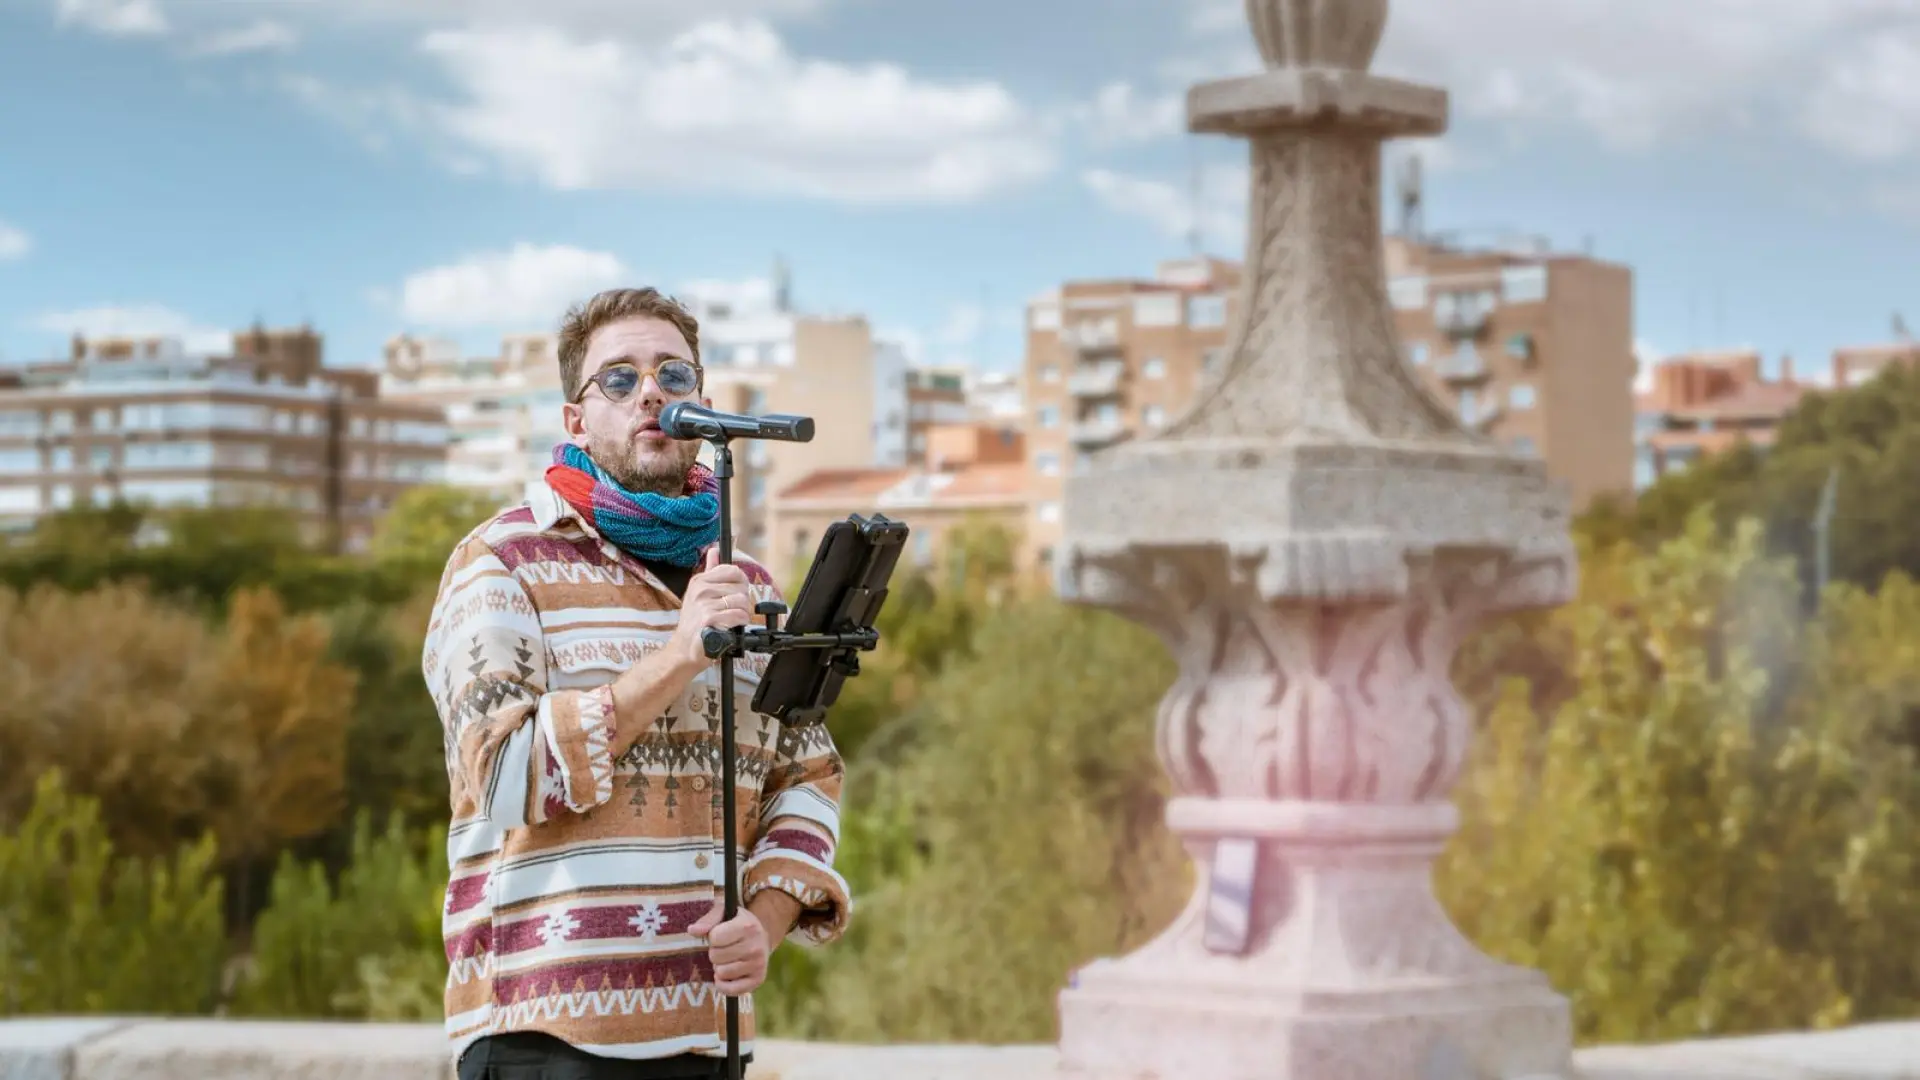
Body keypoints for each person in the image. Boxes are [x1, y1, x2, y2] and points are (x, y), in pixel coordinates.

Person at [422, 287, 850, 1079]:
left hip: (707, 1035)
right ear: (576, 421)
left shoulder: (746, 582)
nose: (650, 391)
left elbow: (809, 773)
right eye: (617, 379)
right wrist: (682, 654)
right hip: (544, 1036)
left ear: (705, 406)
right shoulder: (500, 562)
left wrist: (765, 919)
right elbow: (507, 777)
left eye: (673, 375)